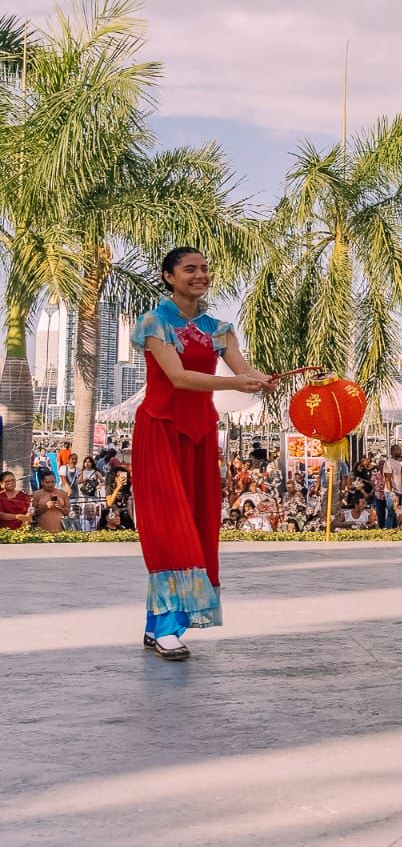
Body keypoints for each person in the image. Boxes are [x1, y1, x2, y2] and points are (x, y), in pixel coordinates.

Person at [130, 246, 274, 661]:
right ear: (168, 276)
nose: (200, 275)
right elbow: (177, 378)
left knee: (197, 524)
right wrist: (235, 384)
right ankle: (168, 629)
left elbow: (244, 370)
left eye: (205, 269)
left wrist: (263, 380)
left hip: (200, 433)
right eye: (189, 269)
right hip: (160, 430)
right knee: (169, 526)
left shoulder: (218, 328)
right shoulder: (155, 322)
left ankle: (157, 624)